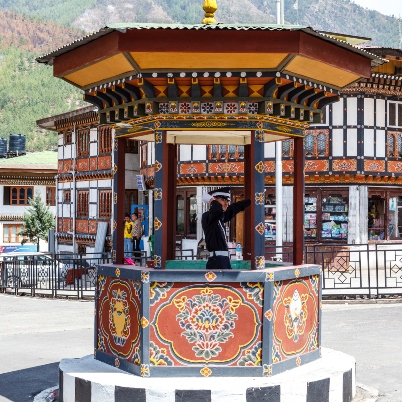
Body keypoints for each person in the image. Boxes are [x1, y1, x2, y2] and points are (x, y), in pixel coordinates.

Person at [201, 187, 251, 270]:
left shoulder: (220, 217)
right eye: (223, 200)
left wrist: (251, 199)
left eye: (227, 201)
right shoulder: (207, 216)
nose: (226, 203)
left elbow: (235, 207)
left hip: (224, 260)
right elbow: (217, 210)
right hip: (216, 261)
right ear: (214, 200)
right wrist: (211, 200)